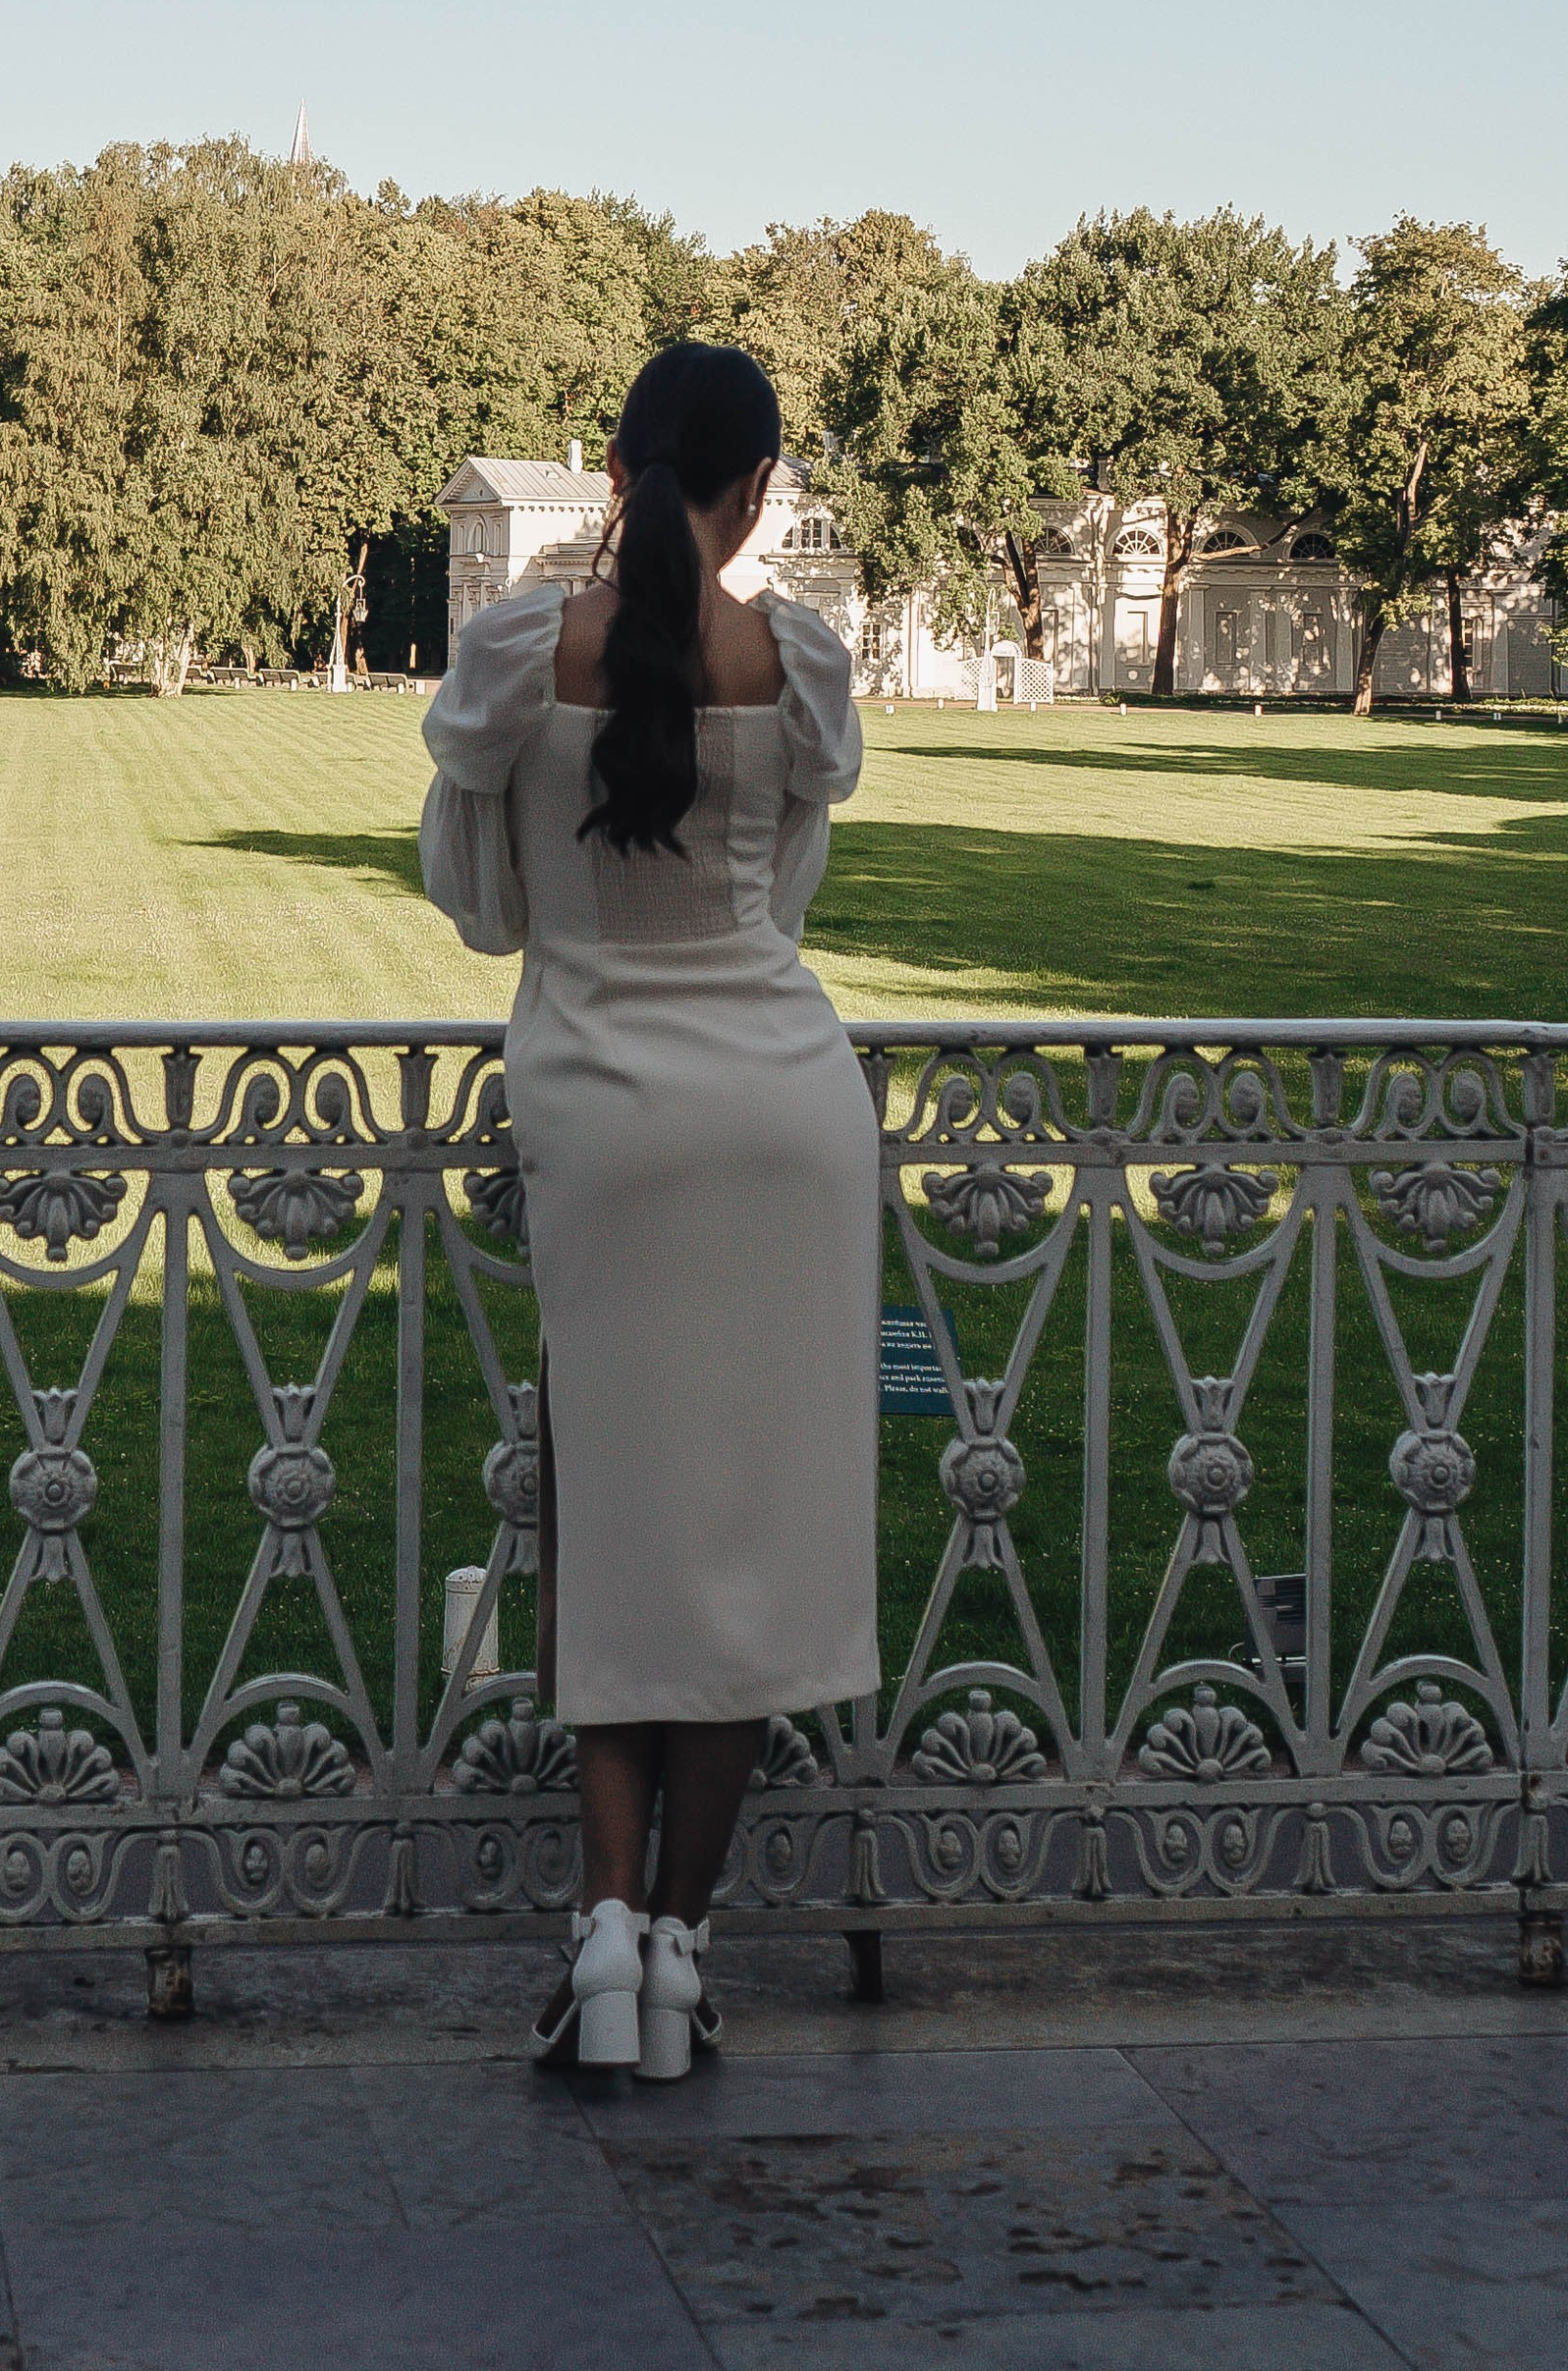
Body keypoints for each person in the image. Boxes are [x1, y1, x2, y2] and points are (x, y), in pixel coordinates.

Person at [418, 341, 878, 2077]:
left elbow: (478, 896)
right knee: (748, 1547)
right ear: (756, 488)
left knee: (616, 1532)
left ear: (613, 467)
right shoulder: (800, 662)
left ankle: (605, 1936)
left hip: (602, 1109)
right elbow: (792, 896)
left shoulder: (525, 656)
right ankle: (682, 1949)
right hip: (787, 1111)